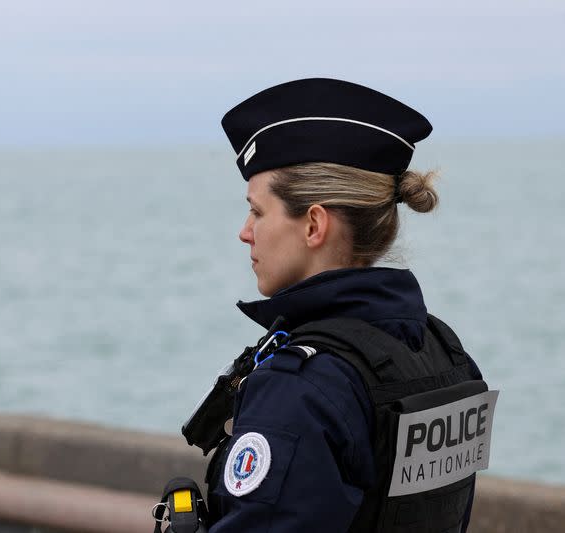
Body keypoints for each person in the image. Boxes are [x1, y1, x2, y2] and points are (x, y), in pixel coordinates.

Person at [195, 78, 495, 533]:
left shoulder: (301, 388)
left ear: (314, 224)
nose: (245, 231)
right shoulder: (446, 355)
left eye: (257, 211)